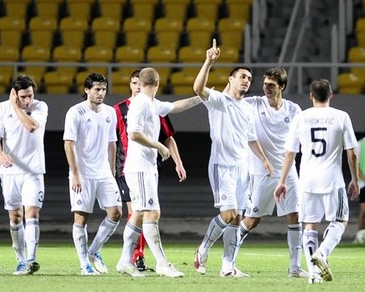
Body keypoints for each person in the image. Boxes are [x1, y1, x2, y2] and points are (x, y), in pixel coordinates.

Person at [193, 39, 274, 277]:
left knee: (237, 219)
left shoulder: (248, 107)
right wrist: (208, 61)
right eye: (242, 77)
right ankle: (203, 249)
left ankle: (228, 267)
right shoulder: (219, 100)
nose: (246, 81)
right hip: (222, 166)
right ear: (231, 79)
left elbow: (250, 138)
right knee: (228, 215)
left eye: (249, 78)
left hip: (243, 167)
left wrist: (264, 159)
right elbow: (198, 88)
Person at [115, 67, 201, 278]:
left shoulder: (151, 102)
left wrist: (201, 98)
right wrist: (159, 147)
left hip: (144, 167)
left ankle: (125, 261)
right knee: (152, 213)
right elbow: (134, 134)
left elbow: (175, 106)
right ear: (158, 82)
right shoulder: (141, 104)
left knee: (137, 214)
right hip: (141, 167)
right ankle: (162, 263)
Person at [274, 79, 360, 284]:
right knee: (340, 220)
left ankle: (314, 274)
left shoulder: (301, 117)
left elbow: (289, 153)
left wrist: (282, 181)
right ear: (331, 95)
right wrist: (355, 179)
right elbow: (352, 154)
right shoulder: (341, 116)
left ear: (311, 96)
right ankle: (323, 252)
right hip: (332, 179)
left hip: (306, 179)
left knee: (310, 226)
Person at [230, 67, 308, 278]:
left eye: (271, 85)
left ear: (282, 86)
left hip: (288, 172)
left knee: (294, 216)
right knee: (252, 219)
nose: (266, 88)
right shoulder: (253, 104)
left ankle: (294, 268)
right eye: (265, 84)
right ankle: (229, 261)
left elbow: (302, 137)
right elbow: (231, 100)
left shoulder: (293, 110)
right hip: (261, 172)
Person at [63, 73, 123, 275]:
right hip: (83, 174)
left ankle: (93, 251)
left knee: (116, 213)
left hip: (103, 173)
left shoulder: (109, 112)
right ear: (87, 90)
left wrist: (113, 171)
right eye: (97, 89)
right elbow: (68, 144)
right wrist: (76, 174)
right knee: (81, 219)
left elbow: (111, 143)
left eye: (104, 89)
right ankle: (84, 265)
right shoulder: (76, 112)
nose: (101, 93)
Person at [0, 74, 47, 275]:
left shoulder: (40, 107)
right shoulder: (1, 108)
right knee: (15, 217)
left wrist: (16, 107)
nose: (27, 100)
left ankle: (31, 259)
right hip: (10, 171)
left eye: (29, 96)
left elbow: (31, 126)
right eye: (22, 97)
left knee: (32, 212)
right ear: (14, 94)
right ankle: (21, 259)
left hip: (33, 170)